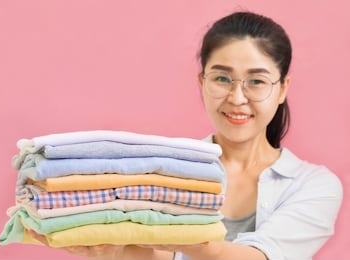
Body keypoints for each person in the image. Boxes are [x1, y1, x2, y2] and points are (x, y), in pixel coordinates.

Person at [28, 11, 343, 259]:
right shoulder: (166, 169)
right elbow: (158, 256)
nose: (237, 97)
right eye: (222, 78)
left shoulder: (314, 185)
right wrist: (112, 252)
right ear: (202, 81)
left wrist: (189, 243)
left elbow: (259, 257)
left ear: (282, 88)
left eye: (256, 81)